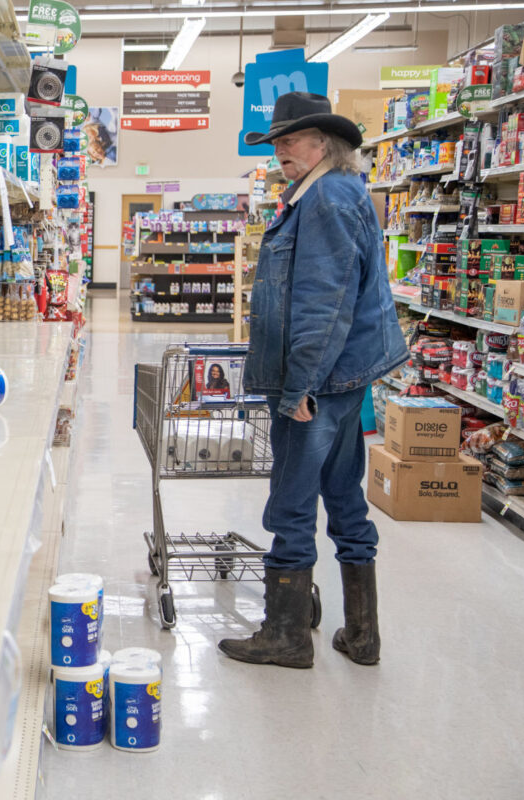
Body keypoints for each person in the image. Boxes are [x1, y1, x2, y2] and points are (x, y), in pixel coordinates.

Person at [217, 93, 408, 669]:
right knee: (346, 496)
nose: (279, 150)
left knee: (292, 503)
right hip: (348, 377)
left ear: (324, 143)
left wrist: (299, 387)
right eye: (276, 141)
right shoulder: (335, 191)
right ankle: (362, 634)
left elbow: (322, 308)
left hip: (320, 382)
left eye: (290, 140)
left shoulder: (323, 199)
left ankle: (287, 634)